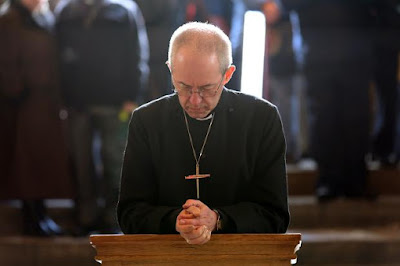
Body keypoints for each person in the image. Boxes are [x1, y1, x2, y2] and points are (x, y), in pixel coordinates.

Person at [117, 22, 289, 244]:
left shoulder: (262, 118)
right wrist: (175, 220)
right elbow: (130, 213)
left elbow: (275, 216)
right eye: (184, 87)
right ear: (171, 70)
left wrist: (218, 219)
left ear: (227, 75)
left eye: (207, 88)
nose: (195, 100)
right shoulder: (146, 121)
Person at [54, 0, 149, 234]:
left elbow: (137, 53)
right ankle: (85, 217)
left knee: (115, 163)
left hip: (114, 102)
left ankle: (113, 220)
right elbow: (56, 56)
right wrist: (61, 97)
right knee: (81, 163)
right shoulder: (66, 11)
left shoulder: (124, 9)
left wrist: (133, 95)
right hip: (78, 103)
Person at [277, 0, 376, 201]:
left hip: (354, 50)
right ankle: (328, 180)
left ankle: (356, 180)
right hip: (317, 52)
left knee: (356, 116)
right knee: (323, 117)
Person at [0, 0, 74, 236]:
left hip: (44, 101)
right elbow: (6, 59)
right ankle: (31, 218)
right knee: (27, 163)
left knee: (41, 161)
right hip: (23, 103)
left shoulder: (42, 18)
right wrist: (16, 90)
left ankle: (40, 215)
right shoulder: (9, 19)